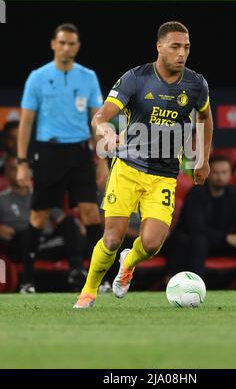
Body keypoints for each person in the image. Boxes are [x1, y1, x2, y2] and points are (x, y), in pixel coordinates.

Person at [74, 20, 213, 308]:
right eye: (175, 47)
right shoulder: (135, 78)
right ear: (159, 47)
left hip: (164, 175)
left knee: (151, 244)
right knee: (112, 239)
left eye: (186, 47)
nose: (181, 53)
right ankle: (88, 291)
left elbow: (205, 118)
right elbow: (100, 117)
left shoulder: (196, 84)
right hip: (128, 167)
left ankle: (129, 263)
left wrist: (203, 159)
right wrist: (107, 131)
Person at [17, 23, 108, 293]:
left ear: (77, 47)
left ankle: (99, 279)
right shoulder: (37, 77)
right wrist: (22, 162)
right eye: (62, 43)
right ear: (53, 45)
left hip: (79, 153)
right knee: (39, 216)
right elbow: (25, 122)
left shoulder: (88, 77)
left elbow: (97, 120)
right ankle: (27, 281)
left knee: (91, 214)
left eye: (72, 43)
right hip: (49, 152)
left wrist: (101, 159)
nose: (66, 47)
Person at [164, 156, 236, 290]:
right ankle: (196, 290)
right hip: (195, 244)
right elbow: (196, 229)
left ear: (230, 174)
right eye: (216, 173)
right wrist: (228, 238)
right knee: (198, 241)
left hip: (222, 242)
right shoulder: (196, 193)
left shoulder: (233, 193)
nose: (220, 177)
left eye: (224, 173)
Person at [0, 155, 86, 291]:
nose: (19, 172)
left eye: (23, 168)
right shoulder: (2, 199)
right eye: (13, 169)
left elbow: (61, 219)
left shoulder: (41, 195)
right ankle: (75, 271)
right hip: (19, 241)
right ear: (6, 174)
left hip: (46, 240)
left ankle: (77, 270)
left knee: (71, 223)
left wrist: (76, 227)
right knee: (75, 242)